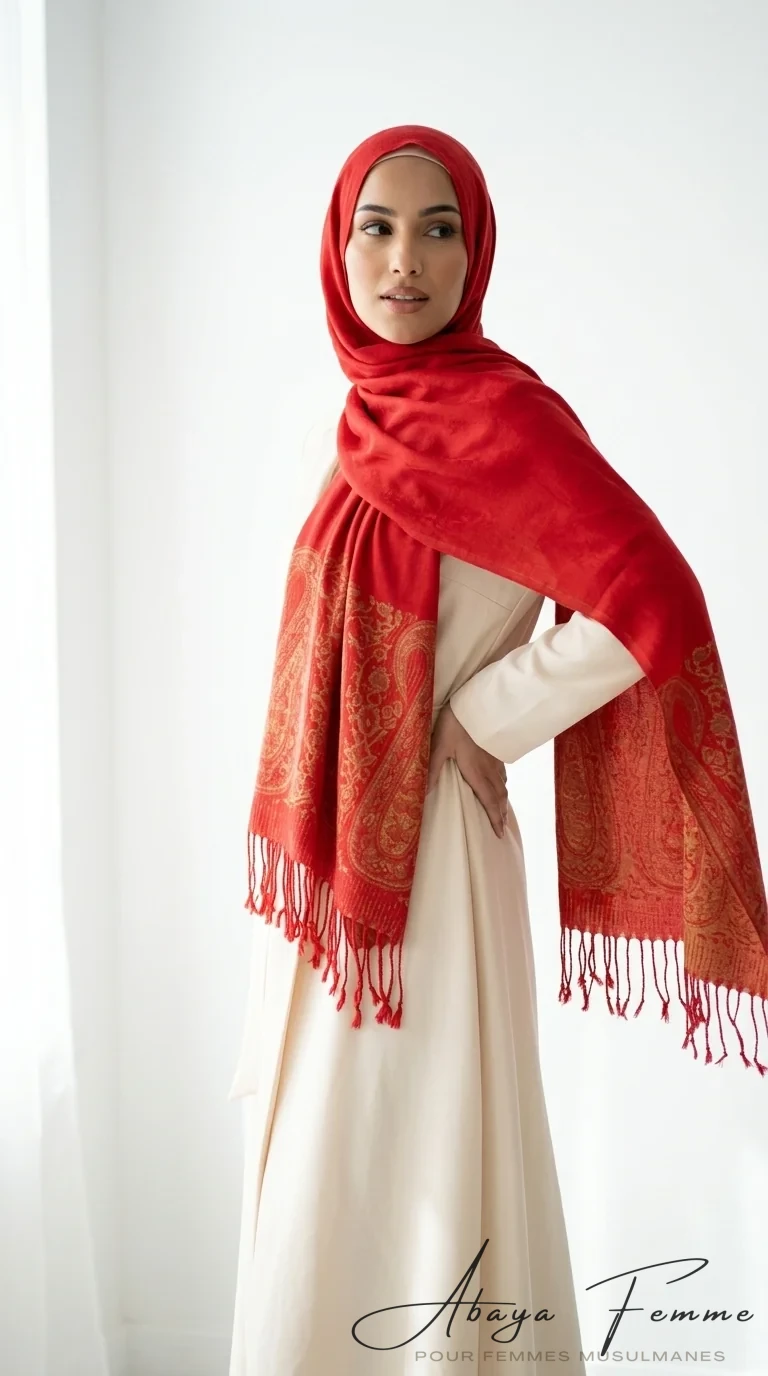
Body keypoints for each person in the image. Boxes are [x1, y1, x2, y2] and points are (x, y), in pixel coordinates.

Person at [227, 126, 768, 1376]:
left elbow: (654, 597)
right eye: (376, 227)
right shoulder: (343, 425)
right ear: (338, 247)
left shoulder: (510, 417)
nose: (404, 261)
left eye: (439, 230)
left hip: (433, 863)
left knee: (415, 1149)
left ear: (475, 252)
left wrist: (484, 716)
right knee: (320, 1158)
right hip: (328, 870)